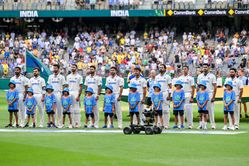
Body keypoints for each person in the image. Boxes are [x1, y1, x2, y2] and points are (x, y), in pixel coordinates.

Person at [197, 64, 217, 129]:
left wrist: (213, 97)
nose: (204, 68)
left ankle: (212, 124)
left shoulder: (212, 76)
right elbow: (198, 86)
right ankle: (202, 124)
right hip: (201, 94)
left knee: (210, 110)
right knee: (202, 111)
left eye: (206, 67)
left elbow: (215, 87)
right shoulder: (200, 76)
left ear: (208, 68)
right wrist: (198, 94)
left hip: (210, 93)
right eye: (203, 67)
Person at [47, 64, 66, 128]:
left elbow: (64, 86)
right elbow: (48, 86)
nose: (54, 69)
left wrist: (62, 94)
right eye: (53, 68)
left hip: (58, 93)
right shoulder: (50, 77)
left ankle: (59, 123)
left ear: (58, 69)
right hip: (51, 94)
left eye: (55, 68)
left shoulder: (61, 77)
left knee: (59, 109)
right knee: (52, 109)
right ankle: (53, 123)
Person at [155, 64, 172, 129]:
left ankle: (166, 124)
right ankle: (159, 123)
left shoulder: (168, 77)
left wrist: (169, 95)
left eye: (162, 67)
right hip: (158, 93)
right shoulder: (157, 77)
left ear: (165, 69)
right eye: (160, 67)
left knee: (166, 110)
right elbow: (156, 86)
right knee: (159, 109)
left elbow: (170, 86)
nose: (161, 68)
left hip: (165, 93)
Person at [66, 64, 83, 128]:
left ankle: (77, 123)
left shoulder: (79, 76)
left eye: (74, 67)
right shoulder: (68, 76)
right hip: (69, 93)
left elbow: (81, 87)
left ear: (76, 68)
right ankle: (71, 123)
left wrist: (78, 95)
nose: (73, 68)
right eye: (72, 67)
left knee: (76, 109)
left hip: (76, 92)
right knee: (70, 109)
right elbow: (67, 86)